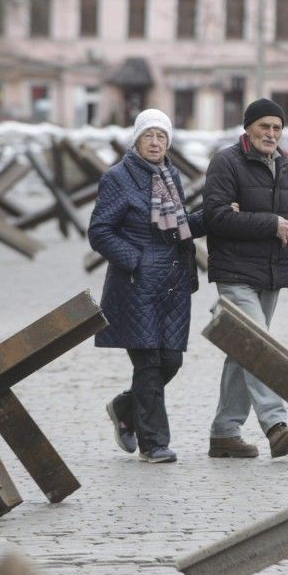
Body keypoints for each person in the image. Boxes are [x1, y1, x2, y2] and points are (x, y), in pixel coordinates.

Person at [202, 98, 288, 459]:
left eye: (277, 127)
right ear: (248, 128)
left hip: (271, 273)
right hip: (234, 272)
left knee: (243, 350)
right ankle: (275, 424)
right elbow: (214, 217)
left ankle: (225, 433)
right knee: (259, 346)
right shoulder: (226, 162)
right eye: (264, 126)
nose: (271, 134)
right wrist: (270, 223)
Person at [89, 109, 205, 464]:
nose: (156, 143)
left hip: (172, 284)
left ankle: (125, 406)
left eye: (162, 136)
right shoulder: (118, 178)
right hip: (135, 285)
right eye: (149, 136)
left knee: (171, 360)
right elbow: (99, 231)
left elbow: (177, 226)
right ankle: (153, 444)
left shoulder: (170, 175)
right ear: (136, 140)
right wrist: (135, 260)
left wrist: (215, 216)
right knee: (150, 364)